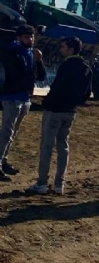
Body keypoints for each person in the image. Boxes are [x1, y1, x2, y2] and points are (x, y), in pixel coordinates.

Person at [27, 37, 91, 195]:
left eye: (63, 47)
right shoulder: (86, 67)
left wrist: (47, 102)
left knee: (47, 146)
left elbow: (57, 87)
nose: (61, 49)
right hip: (70, 111)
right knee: (63, 146)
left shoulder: (66, 65)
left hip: (55, 110)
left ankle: (42, 183)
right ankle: (59, 184)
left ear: (70, 50)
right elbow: (87, 93)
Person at [0, 25, 45, 181]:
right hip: (12, 97)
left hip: (24, 98)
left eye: (31, 37)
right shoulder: (11, 52)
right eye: (26, 37)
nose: (30, 39)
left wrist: (39, 61)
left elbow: (40, 77)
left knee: (12, 132)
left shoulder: (31, 54)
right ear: (18, 38)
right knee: (7, 132)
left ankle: (3, 160)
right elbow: (17, 75)